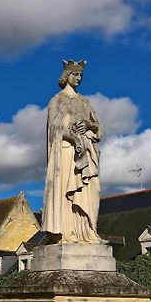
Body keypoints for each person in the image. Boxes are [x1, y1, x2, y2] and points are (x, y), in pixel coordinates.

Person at [41, 59, 103, 244]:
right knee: (67, 192)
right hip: (67, 153)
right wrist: (73, 137)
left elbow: (98, 128)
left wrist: (89, 125)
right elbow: (55, 129)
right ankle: (68, 233)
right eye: (75, 74)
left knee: (91, 191)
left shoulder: (85, 102)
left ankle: (88, 232)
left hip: (87, 152)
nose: (79, 78)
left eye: (81, 75)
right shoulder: (57, 100)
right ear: (66, 76)